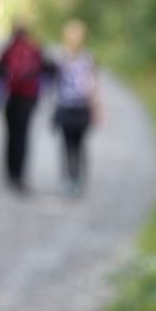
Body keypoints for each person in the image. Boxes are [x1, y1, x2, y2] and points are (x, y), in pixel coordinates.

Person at [0, 25, 45, 194]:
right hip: (29, 98)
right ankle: (20, 173)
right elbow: (45, 70)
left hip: (12, 97)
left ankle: (10, 171)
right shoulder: (35, 48)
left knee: (11, 134)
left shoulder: (8, 49)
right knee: (23, 135)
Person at [53, 19, 99, 198]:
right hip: (72, 107)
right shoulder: (84, 58)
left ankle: (74, 179)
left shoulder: (70, 58)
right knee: (72, 145)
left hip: (74, 107)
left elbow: (93, 86)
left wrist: (96, 109)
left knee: (74, 145)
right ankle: (72, 179)